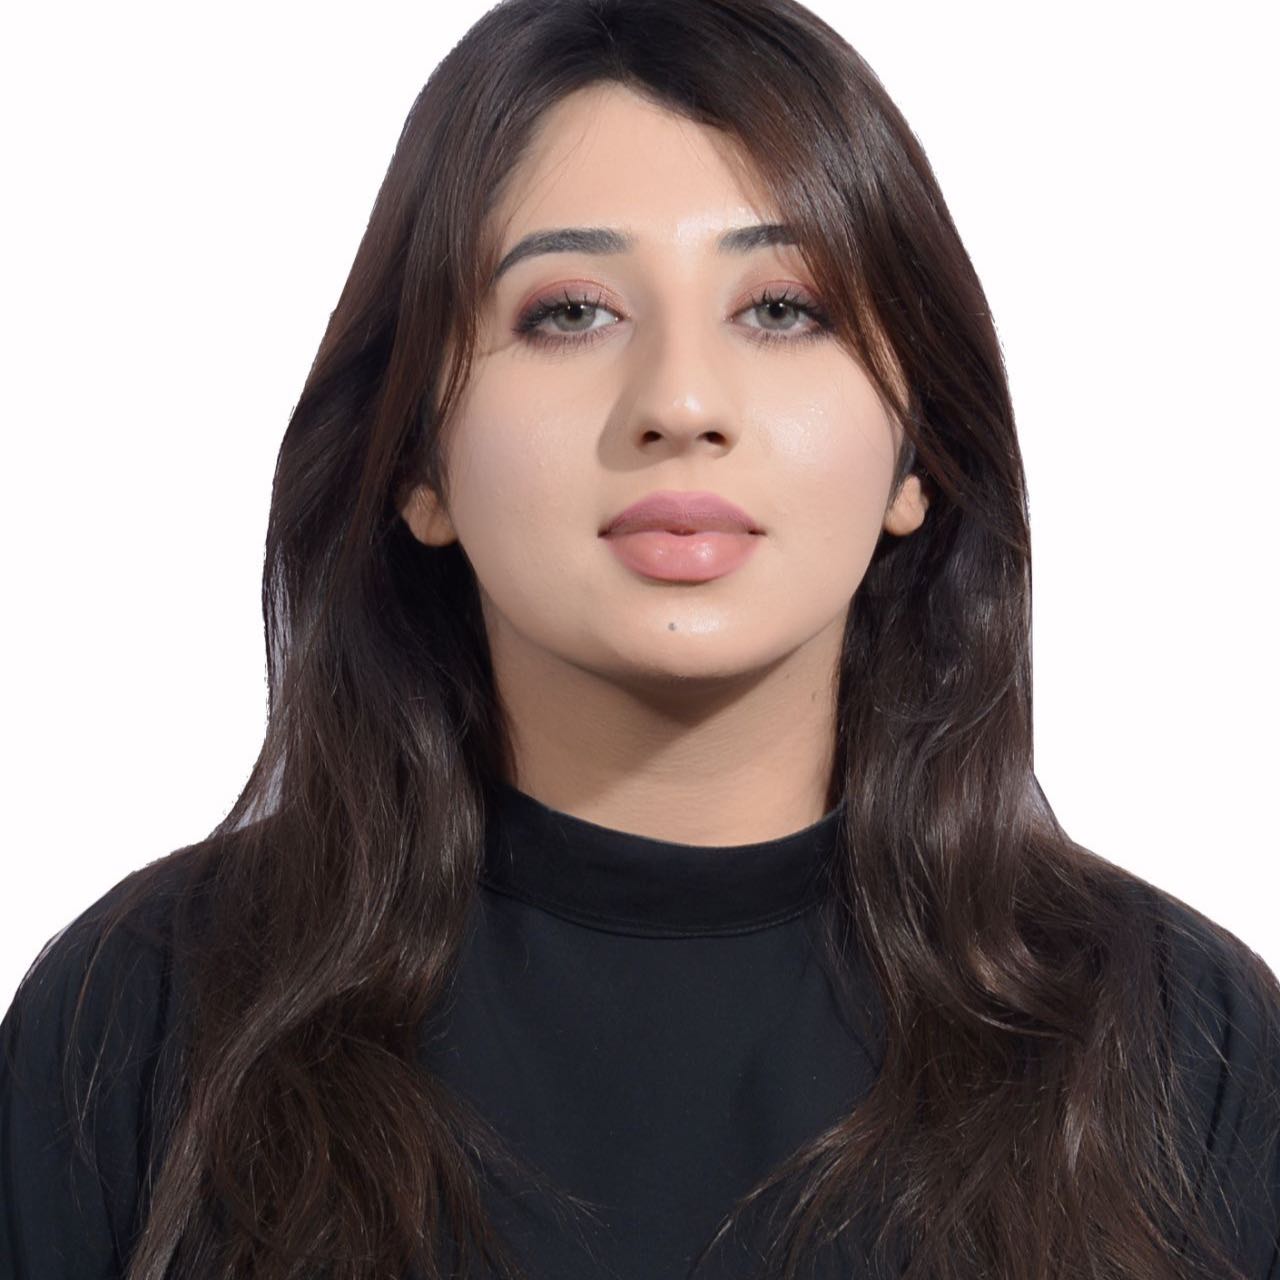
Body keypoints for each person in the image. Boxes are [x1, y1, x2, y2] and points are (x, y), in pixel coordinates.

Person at [2, 1, 1277, 1277]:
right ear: (416, 462)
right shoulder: (143, 1016)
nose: (679, 400)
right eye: (569, 311)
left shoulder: (1179, 1038)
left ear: (917, 456)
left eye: (781, 308)